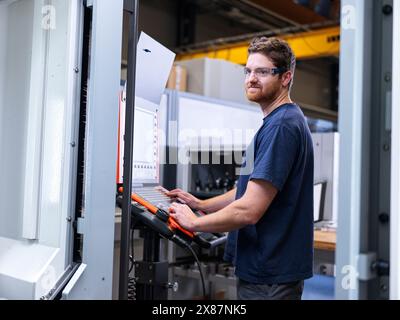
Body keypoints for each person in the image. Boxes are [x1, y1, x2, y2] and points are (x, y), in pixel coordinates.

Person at [167, 37, 314, 300]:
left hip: (268, 274)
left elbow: (249, 209)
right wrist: (202, 204)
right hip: (268, 270)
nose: (251, 78)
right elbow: (245, 191)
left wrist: (195, 222)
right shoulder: (278, 122)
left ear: (285, 77)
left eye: (262, 71)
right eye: (248, 71)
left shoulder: (281, 126)